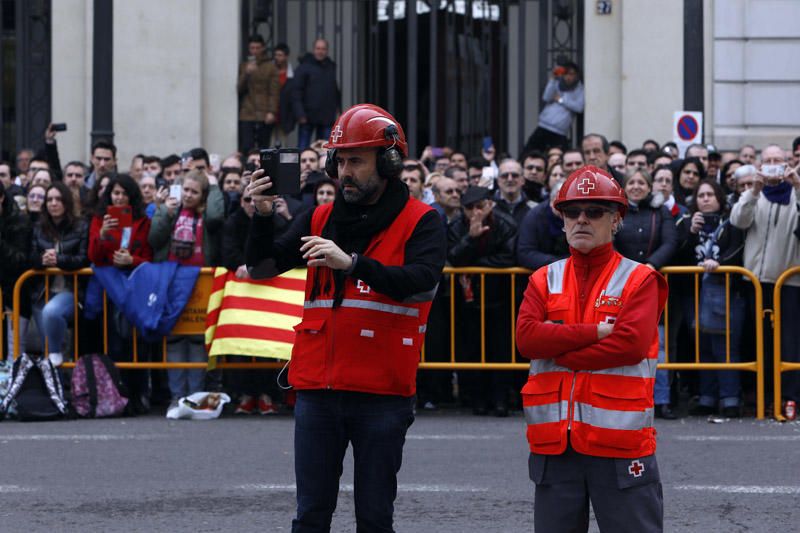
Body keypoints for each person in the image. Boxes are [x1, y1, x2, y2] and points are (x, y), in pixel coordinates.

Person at [244, 103, 445, 532]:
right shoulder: (320, 216)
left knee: (374, 518)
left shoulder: (422, 220)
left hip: (383, 393)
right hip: (318, 390)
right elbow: (261, 267)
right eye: (340, 160)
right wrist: (261, 216)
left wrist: (353, 264)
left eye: (357, 160)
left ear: (389, 162)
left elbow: (423, 281)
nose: (344, 171)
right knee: (310, 515)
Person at [517, 165, 668, 532]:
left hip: (619, 442)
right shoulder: (543, 277)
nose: (582, 220)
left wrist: (559, 348)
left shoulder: (641, 278)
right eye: (572, 212)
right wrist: (595, 332)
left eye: (595, 212)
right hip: (556, 443)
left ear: (616, 220)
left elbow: (630, 345)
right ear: (562, 218)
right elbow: (526, 339)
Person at [730, 145, 800, 418]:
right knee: (760, 342)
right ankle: (764, 395)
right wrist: (754, 189)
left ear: (787, 165)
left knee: (790, 343)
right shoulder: (755, 195)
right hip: (756, 282)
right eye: (768, 160)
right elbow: (739, 219)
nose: (773, 165)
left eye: (778, 161)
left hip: (789, 281)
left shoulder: (795, 194)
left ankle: (789, 397)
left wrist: (797, 186)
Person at [149, 169, 224, 407]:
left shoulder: (206, 213)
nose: (189, 195)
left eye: (195, 191)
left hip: (200, 283)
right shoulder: (172, 210)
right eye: (186, 190)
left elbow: (215, 216)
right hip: (172, 283)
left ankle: (195, 396)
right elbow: (155, 239)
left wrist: (213, 186)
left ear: (203, 195)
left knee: (197, 340)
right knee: (174, 339)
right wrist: (164, 212)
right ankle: (176, 396)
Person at [677, 180, 745, 417]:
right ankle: (707, 397)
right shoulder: (687, 223)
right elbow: (678, 252)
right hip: (695, 293)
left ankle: (730, 398)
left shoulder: (732, 222)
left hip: (725, 291)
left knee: (725, 346)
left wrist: (721, 264)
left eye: (710, 194)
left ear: (719, 198)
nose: (705, 198)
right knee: (702, 346)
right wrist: (690, 233)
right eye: (701, 195)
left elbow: (738, 248)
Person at [448, 186, 517, 416]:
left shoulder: (506, 224)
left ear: (490, 204)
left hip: (500, 298)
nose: (475, 213)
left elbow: (509, 258)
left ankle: (500, 401)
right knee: (472, 350)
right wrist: (471, 238)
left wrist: (477, 264)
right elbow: (454, 258)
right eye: (469, 208)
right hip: (468, 300)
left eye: (480, 207)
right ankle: (477, 399)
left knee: (501, 351)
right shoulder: (456, 227)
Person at [88, 174, 154, 412]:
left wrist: (132, 260)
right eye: (115, 193)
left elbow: (148, 257)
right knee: (115, 341)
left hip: (134, 285)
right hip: (109, 287)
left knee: (135, 340)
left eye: (124, 194)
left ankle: (139, 394)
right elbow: (93, 257)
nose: (119, 197)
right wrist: (103, 234)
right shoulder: (99, 219)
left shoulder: (143, 221)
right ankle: (118, 394)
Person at [30, 182, 90, 366]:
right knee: (48, 344)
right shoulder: (39, 227)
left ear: (66, 202)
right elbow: (30, 256)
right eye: (49, 199)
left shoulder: (80, 226)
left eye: (58, 199)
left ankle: (59, 361)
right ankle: (57, 385)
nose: (53, 203)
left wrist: (59, 260)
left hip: (70, 290)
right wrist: (42, 260)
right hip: (42, 292)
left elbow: (83, 258)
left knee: (52, 313)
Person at [0, 182, 32, 359]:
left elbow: (20, 260)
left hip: (14, 294)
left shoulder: (20, 221)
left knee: (15, 353)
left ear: (1, 197)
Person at [524, 62, 584, 154]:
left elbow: (579, 107)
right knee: (530, 152)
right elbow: (546, 97)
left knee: (557, 156)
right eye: (566, 74)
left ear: (576, 75)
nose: (568, 77)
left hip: (559, 131)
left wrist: (561, 100)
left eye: (571, 74)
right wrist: (553, 79)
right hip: (544, 126)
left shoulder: (579, 89)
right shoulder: (557, 83)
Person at [292, 38, 340, 149]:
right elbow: (296, 92)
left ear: (327, 50)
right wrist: (300, 113)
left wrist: (337, 109)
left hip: (326, 116)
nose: (320, 51)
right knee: (303, 149)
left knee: (325, 150)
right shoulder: (304, 67)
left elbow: (334, 89)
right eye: (318, 48)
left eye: (323, 49)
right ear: (313, 50)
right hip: (307, 116)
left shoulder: (330, 66)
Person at [238, 34, 280, 153]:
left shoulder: (270, 67)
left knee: (264, 147)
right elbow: (239, 89)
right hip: (247, 111)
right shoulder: (244, 66)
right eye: (252, 48)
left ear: (262, 48)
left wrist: (272, 112)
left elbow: (274, 91)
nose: (255, 51)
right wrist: (246, 73)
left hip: (264, 111)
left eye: (257, 48)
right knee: (246, 146)